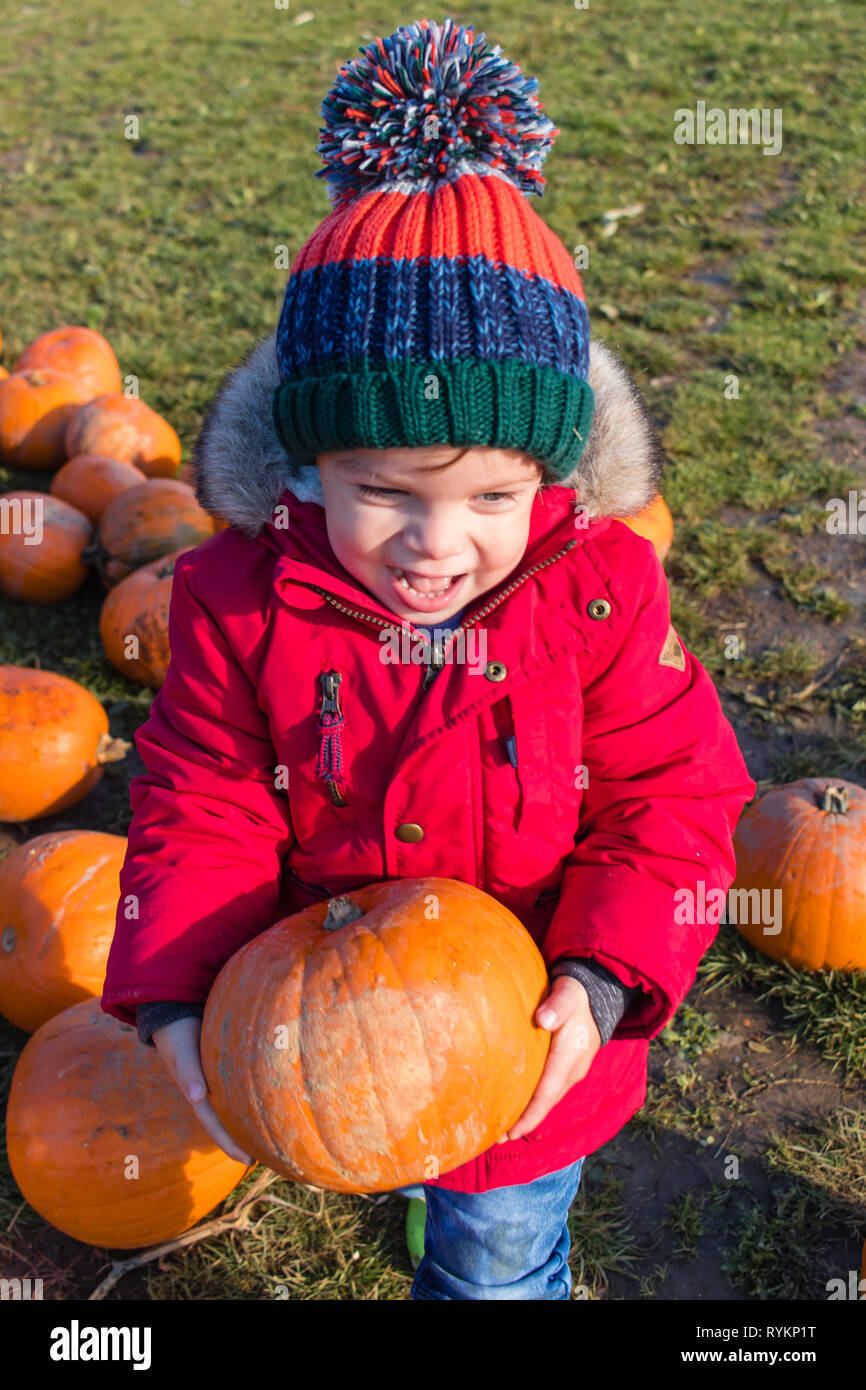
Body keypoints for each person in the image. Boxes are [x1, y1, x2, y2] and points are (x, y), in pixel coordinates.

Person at [101, 17, 757, 1300]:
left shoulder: (601, 592)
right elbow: (200, 798)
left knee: (497, 1256)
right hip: (327, 1023)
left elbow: (674, 802)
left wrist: (606, 975)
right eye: (384, 489)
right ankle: (402, 1172)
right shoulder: (239, 599)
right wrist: (178, 990)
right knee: (387, 1149)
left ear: (550, 475)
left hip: (522, 1043)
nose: (435, 547)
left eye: (490, 499)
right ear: (307, 462)